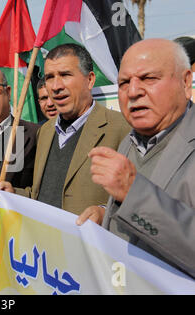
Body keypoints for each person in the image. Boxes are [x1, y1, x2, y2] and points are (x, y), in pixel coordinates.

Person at [77, 39, 195, 278]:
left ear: (185, 82)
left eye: (149, 78)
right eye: (123, 83)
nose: (133, 91)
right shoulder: (129, 142)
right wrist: (106, 214)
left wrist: (133, 195)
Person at [0, 44, 130, 215]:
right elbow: (41, 196)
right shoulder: (45, 131)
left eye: (65, 75)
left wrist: (103, 213)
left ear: (90, 80)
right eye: (49, 77)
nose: (56, 86)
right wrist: (13, 194)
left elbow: (140, 202)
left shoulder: (122, 128)